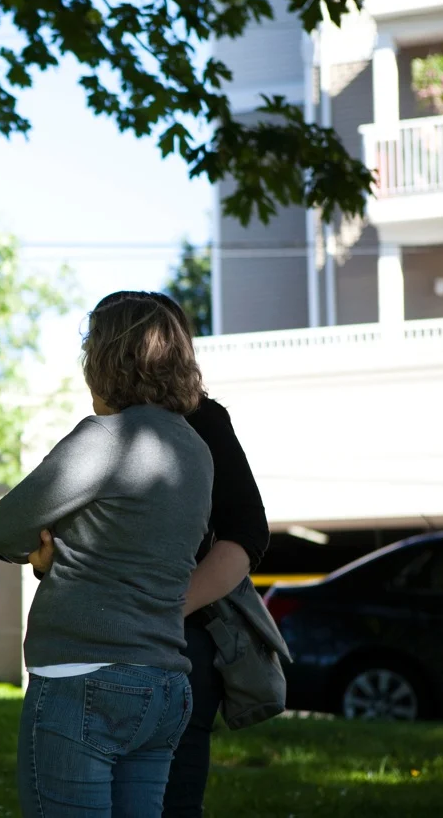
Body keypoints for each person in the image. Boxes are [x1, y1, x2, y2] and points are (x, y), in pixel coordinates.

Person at [0, 290, 213, 818]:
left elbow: (4, 529)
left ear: (109, 356)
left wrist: (47, 557)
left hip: (84, 679)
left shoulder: (108, 439)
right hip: (163, 684)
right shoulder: (194, 449)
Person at [151, 294, 271, 818]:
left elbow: (247, 534)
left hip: (181, 647)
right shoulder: (103, 431)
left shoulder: (204, 421)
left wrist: (168, 610)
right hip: (105, 651)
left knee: (173, 801)